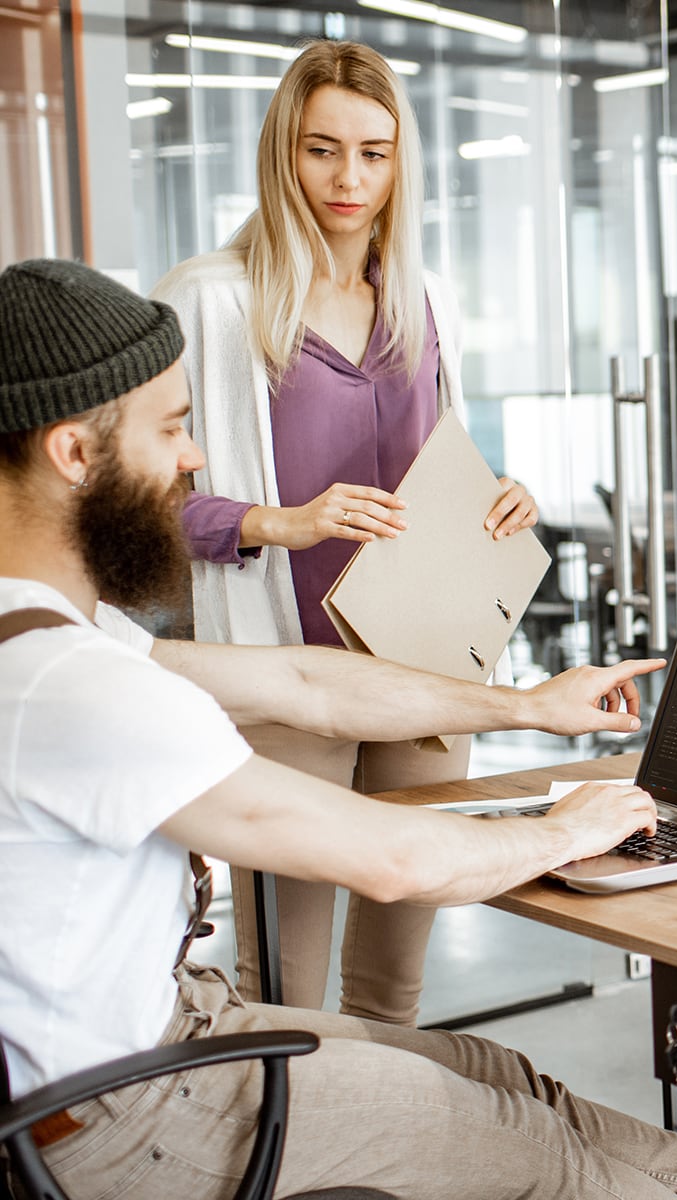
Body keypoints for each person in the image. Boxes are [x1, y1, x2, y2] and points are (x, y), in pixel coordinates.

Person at [0, 257, 677, 1198]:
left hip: (167, 1034)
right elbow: (393, 864)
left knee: (491, 1073)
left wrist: (528, 707)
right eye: (171, 429)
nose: (193, 460)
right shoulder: (64, 685)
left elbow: (304, 684)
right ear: (75, 453)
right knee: (508, 1139)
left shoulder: (55, 637)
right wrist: (565, 831)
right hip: (120, 1118)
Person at [151, 39, 537, 1025]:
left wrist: (500, 497)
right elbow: (142, 503)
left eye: (375, 152)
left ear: (402, 160)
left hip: (423, 671)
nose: (350, 178)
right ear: (285, 151)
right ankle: (287, 1164)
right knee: (285, 988)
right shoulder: (212, 301)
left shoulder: (422, 299)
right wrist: (278, 521)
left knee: (393, 987)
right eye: (324, 150)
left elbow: (440, 466)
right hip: (291, 684)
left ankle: (385, 1155)